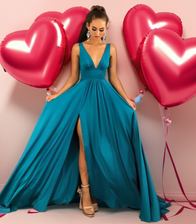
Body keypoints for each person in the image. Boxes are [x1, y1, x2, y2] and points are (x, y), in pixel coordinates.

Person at [0, 5, 170, 222]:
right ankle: (86, 192)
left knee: (101, 145)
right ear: (88, 26)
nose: (99, 33)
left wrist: (127, 99)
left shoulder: (111, 48)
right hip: (81, 98)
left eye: (102, 29)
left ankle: (102, 189)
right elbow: (72, 78)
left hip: (104, 99)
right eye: (95, 29)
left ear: (106, 28)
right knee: (84, 143)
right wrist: (57, 96)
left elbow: (114, 78)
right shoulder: (78, 48)